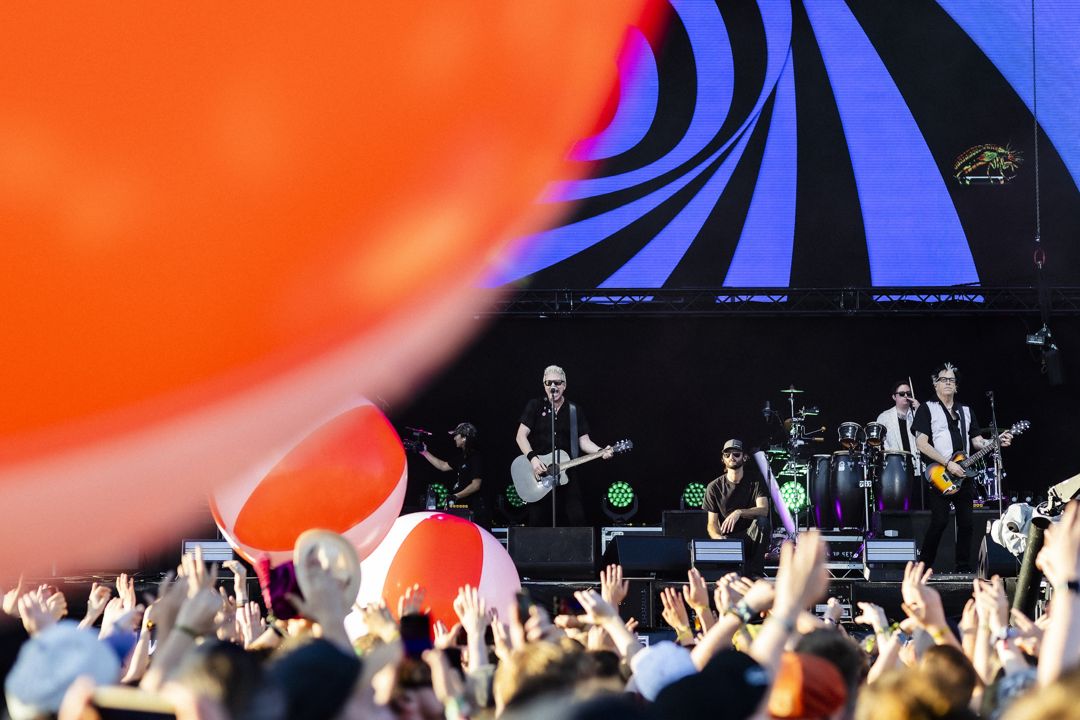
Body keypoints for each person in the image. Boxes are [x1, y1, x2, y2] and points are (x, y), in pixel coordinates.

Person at [911, 363, 1011, 572]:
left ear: (956, 386)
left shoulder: (966, 411)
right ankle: (923, 567)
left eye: (952, 380)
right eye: (943, 379)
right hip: (940, 472)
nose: (948, 383)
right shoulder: (926, 409)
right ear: (935, 384)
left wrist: (995, 441)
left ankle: (963, 568)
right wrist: (947, 464)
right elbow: (921, 443)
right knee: (939, 521)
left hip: (964, 472)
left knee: (966, 523)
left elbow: (977, 442)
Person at [515, 365, 612, 526]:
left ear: (564, 385)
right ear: (544, 385)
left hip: (566, 470)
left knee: (576, 517)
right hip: (540, 471)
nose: (553, 386)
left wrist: (601, 451)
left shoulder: (574, 410)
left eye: (557, 383)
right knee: (536, 520)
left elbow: (584, 441)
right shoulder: (535, 405)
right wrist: (533, 459)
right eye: (549, 383)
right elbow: (520, 436)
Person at [703, 439, 770, 576]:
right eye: (727, 455)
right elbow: (712, 523)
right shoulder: (714, 487)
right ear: (723, 459)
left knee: (763, 522)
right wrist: (717, 538)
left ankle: (755, 572)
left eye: (736, 454)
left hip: (751, 537)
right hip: (728, 541)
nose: (731, 457)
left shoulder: (756, 480)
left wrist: (739, 512)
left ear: (744, 457)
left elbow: (764, 510)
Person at [419, 422, 491, 529]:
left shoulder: (476, 457)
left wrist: (456, 496)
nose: (454, 438)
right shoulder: (462, 457)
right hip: (463, 509)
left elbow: (476, 485)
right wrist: (424, 452)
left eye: (456, 435)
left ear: (464, 438)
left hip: (475, 510)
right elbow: (443, 466)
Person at [875, 379, 923, 509]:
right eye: (902, 394)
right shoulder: (884, 417)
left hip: (917, 468)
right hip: (895, 470)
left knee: (918, 507)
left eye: (908, 393)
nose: (906, 396)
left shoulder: (916, 414)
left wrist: (920, 410)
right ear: (894, 397)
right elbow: (878, 445)